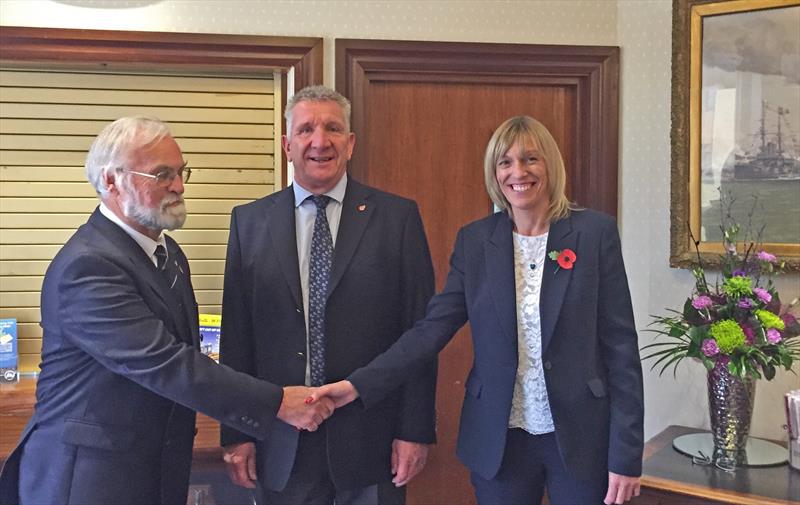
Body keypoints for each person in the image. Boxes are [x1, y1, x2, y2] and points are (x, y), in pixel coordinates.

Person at [0, 117, 334, 505]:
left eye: (180, 171)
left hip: (155, 468)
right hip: (89, 479)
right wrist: (278, 402)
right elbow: (168, 364)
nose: (178, 186)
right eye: (161, 174)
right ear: (111, 182)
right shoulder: (88, 266)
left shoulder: (167, 253)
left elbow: (189, 355)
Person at [313, 116, 645, 505]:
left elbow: (621, 349)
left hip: (581, 436)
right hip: (499, 441)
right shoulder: (475, 241)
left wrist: (626, 455)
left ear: (550, 165)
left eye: (530, 159)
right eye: (505, 162)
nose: (517, 172)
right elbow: (431, 330)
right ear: (494, 173)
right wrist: (358, 385)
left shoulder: (594, 234)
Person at [219, 86, 437, 505]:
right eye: (306, 130)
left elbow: (419, 335)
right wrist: (238, 432)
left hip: (373, 439)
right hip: (279, 439)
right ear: (287, 145)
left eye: (333, 128)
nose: (320, 141)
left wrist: (414, 430)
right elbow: (238, 337)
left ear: (350, 143)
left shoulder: (397, 218)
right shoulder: (249, 223)